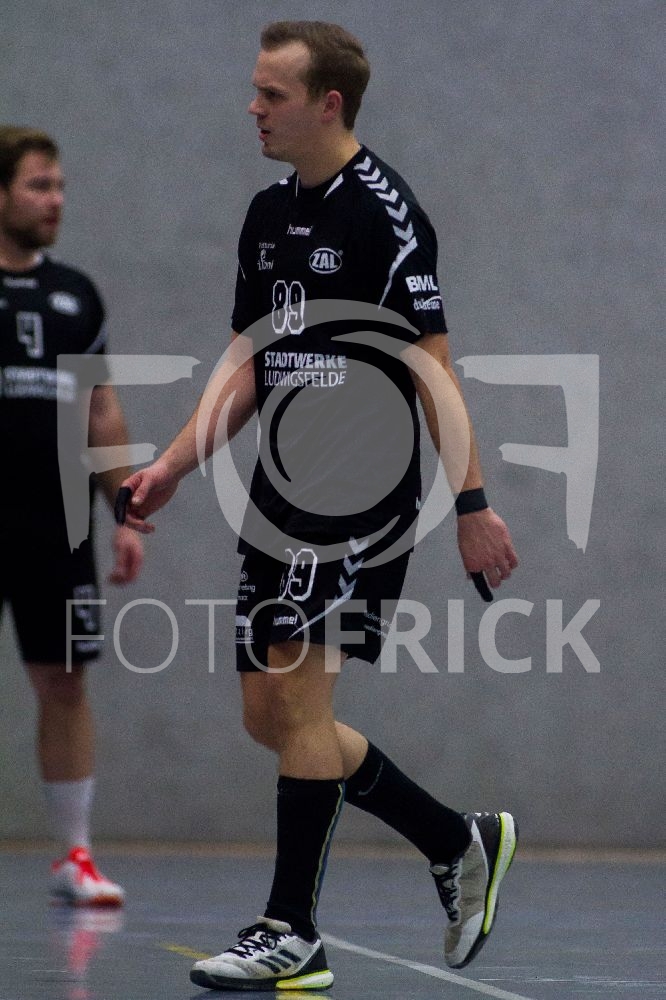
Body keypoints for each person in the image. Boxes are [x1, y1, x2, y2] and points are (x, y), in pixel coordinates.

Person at [120, 21, 519, 991]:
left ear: (328, 103)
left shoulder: (387, 215)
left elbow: (434, 371)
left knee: (300, 701)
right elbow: (248, 363)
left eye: (273, 95)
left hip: (362, 490)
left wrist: (472, 503)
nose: (253, 109)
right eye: (255, 91)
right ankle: (454, 838)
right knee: (272, 716)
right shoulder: (267, 214)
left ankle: (289, 930)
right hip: (281, 492)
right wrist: (174, 464)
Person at [0, 126, 143, 905]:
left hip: (54, 524)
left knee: (63, 679)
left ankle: (76, 856)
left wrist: (124, 508)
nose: (55, 200)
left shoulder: (76, 295)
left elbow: (101, 412)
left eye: (59, 186)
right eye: (38, 185)